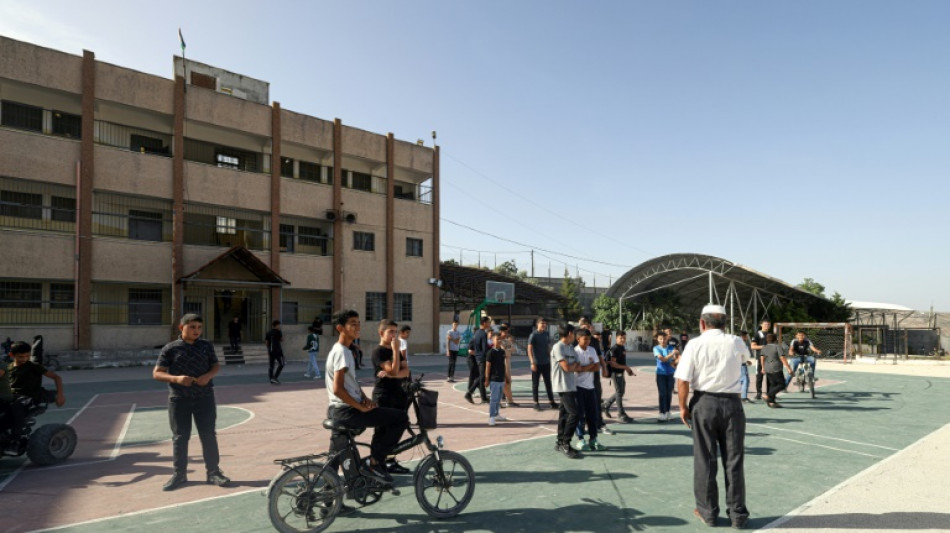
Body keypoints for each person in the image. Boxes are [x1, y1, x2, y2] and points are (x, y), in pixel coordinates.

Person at [674, 304, 751, 529]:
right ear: (725, 323)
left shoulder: (694, 344)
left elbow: (683, 380)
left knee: (705, 460)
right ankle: (737, 515)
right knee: (734, 460)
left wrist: (682, 407)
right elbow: (746, 359)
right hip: (732, 404)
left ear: (702, 323)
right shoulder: (736, 341)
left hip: (704, 403)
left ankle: (708, 512)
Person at [325, 310, 408, 483]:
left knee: (334, 457)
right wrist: (360, 407)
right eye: (352, 324)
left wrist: (364, 398)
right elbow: (338, 389)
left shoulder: (345, 350)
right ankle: (376, 462)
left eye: (358, 323)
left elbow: (351, 383)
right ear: (340, 328)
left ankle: (328, 502)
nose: (357, 327)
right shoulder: (342, 352)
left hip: (338, 410)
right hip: (346, 411)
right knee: (400, 418)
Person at [153, 314, 229, 491]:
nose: (196, 331)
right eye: (192, 327)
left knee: (208, 435)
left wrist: (208, 376)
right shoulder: (170, 348)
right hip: (179, 399)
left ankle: (213, 473)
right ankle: (179, 475)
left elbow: (215, 366)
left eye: (199, 327)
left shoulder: (206, 346)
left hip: (205, 398)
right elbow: (157, 373)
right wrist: (177, 379)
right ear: (182, 328)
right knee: (180, 437)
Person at [371, 319, 411, 474]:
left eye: (395, 331)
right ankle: (376, 463)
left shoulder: (396, 351)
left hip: (398, 394)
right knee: (382, 431)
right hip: (384, 395)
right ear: (381, 333)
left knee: (395, 430)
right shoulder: (379, 352)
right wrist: (395, 352)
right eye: (390, 332)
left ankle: (390, 460)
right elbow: (395, 371)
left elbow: (405, 371)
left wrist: (392, 373)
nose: (394, 335)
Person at [551, 323, 582, 458]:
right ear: (570, 333)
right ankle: (566, 443)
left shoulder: (570, 348)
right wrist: (573, 366)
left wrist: (573, 365)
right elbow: (567, 368)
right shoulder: (558, 347)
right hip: (562, 385)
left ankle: (559, 442)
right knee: (574, 414)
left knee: (563, 415)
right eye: (574, 333)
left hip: (570, 384)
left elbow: (578, 365)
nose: (575, 336)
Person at [573, 329, 606, 451]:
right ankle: (580, 439)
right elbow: (576, 369)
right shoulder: (575, 352)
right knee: (580, 414)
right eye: (585, 339)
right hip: (578, 387)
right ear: (578, 339)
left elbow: (597, 366)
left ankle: (593, 439)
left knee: (593, 414)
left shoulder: (592, 350)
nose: (588, 341)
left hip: (590, 387)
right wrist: (589, 366)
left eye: (589, 339)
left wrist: (585, 367)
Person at [603, 331, 636, 423]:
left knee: (620, 392)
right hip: (616, 373)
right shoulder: (615, 349)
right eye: (620, 338)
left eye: (624, 338)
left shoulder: (622, 347)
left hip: (621, 373)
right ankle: (621, 414)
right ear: (616, 338)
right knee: (619, 392)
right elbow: (614, 364)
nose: (622, 340)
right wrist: (626, 367)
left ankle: (607, 404)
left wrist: (626, 369)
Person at [527, 317, 557, 411]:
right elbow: (529, 349)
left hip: (546, 363)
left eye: (545, 323)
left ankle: (551, 402)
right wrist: (532, 362)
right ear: (537, 324)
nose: (544, 325)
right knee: (535, 384)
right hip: (536, 363)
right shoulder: (533, 335)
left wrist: (552, 357)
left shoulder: (546, 334)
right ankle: (535, 403)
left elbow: (548, 347)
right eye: (542, 323)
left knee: (548, 383)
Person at [464, 316, 490, 404]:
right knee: (482, 377)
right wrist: (489, 356)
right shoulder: (483, 334)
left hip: (477, 358)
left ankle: (484, 398)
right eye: (488, 322)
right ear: (484, 323)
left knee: (481, 378)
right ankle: (469, 393)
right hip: (482, 358)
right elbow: (484, 348)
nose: (489, 324)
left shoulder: (477, 333)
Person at [484, 330, 508, 426]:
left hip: (501, 379)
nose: (499, 341)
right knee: (493, 399)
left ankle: (497, 414)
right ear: (492, 340)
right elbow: (488, 366)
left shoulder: (502, 351)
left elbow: (503, 365)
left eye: (500, 339)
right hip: (494, 379)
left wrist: (506, 377)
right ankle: (491, 417)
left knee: (498, 399)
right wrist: (487, 379)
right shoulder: (490, 352)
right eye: (497, 339)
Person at [761, 333, 791, 408]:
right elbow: (782, 358)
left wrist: (762, 367)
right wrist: (788, 368)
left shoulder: (764, 347)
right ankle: (767, 395)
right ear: (775, 339)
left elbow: (762, 358)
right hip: (776, 368)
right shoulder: (777, 347)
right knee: (782, 384)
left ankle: (771, 402)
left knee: (772, 385)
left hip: (767, 368)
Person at [653, 331, 678, 422]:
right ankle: (661, 412)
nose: (663, 340)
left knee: (669, 394)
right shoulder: (656, 348)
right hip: (661, 374)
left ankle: (667, 411)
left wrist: (675, 361)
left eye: (664, 338)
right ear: (657, 339)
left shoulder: (671, 347)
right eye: (661, 339)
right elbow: (662, 359)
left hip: (670, 374)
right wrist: (672, 354)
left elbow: (675, 361)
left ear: (667, 338)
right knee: (662, 393)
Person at [498, 324, 519, 407]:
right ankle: (497, 401)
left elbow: (514, 349)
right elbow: (503, 351)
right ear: (501, 332)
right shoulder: (498, 340)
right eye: (504, 332)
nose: (506, 333)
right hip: (500, 363)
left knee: (508, 382)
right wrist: (507, 350)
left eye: (507, 332)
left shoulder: (507, 341)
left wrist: (508, 349)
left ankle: (510, 401)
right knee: (500, 383)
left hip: (507, 363)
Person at [750, 320, 771, 400]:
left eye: (768, 324)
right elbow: (753, 346)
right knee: (759, 377)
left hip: (770, 359)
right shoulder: (757, 334)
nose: (767, 325)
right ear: (761, 324)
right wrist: (763, 347)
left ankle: (769, 393)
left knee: (770, 377)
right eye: (765, 324)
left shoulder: (771, 334)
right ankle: (759, 393)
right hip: (760, 358)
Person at [265, 320, 285, 384]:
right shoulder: (278, 332)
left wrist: (269, 350)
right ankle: (274, 377)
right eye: (279, 325)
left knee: (271, 366)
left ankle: (271, 379)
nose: (279, 326)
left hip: (271, 351)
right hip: (277, 350)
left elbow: (267, 343)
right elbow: (282, 340)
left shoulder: (268, 332)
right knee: (281, 364)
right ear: (276, 325)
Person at [739, 331, 753, 403]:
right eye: (746, 336)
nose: (747, 338)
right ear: (743, 336)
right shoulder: (742, 344)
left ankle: (739, 396)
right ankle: (744, 397)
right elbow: (743, 354)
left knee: (739, 380)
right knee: (745, 380)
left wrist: (747, 361)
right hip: (741, 364)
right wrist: (746, 360)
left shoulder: (735, 343)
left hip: (736, 364)